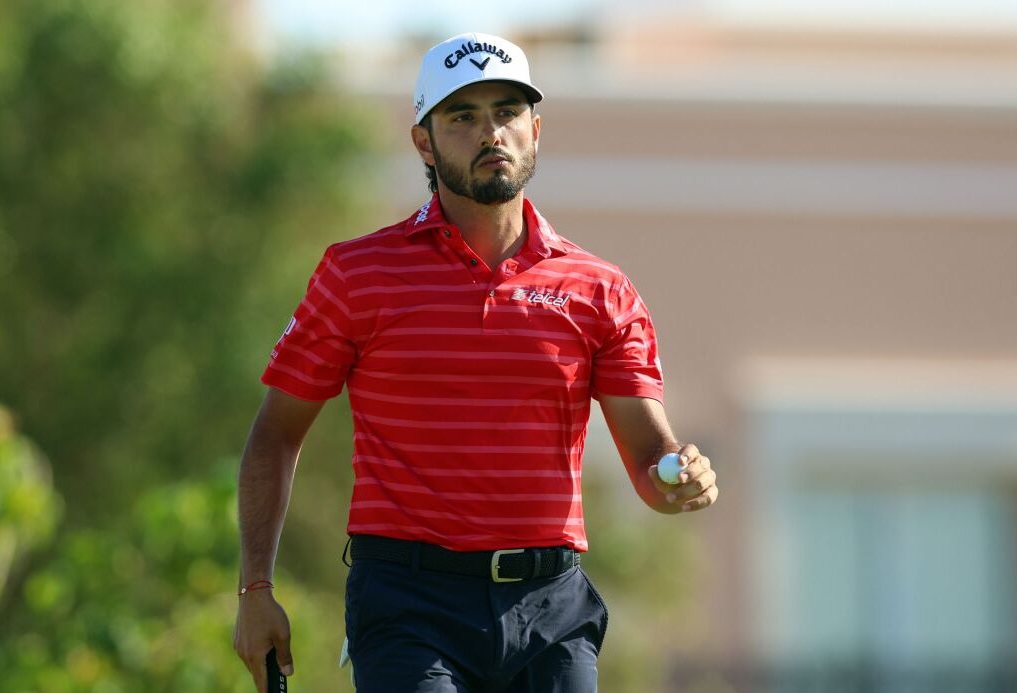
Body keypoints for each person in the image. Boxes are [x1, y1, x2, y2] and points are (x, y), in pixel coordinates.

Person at [232, 32, 719, 693]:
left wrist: (676, 475)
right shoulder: (357, 274)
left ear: (536, 131)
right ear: (424, 142)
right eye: (462, 116)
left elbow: (646, 456)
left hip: (552, 604)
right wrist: (255, 587)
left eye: (507, 112)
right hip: (409, 604)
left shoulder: (599, 289)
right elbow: (275, 433)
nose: (490, 132)